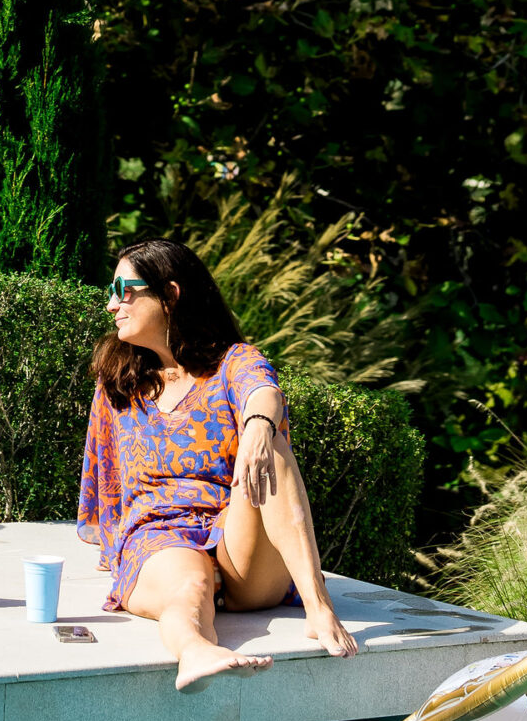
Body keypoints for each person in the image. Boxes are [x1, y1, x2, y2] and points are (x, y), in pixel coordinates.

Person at [78, 237, 358, 689]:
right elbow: (106, 479)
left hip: (236, 540)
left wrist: (259, 426)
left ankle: (318, 606)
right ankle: (196, 652)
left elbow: (263, 391)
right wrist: (115, 547)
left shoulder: (231, 363)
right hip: (160, 536)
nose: (112, 304)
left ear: (169, 295)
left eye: (123, 290)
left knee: (272, 444)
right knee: (188, 590)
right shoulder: (119, 382)